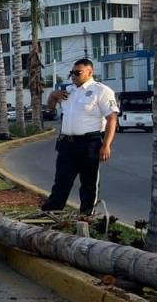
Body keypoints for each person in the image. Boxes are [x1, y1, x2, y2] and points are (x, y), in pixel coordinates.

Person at [41, 58, 119, 215]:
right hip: (67, 144)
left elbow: (112, 118)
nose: (73, 76)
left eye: (78, 72)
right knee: (61, 181)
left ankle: (86, 216)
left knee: (88, 184)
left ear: (90, 72)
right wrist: (53, 96)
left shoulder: (101, 91)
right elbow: (50, 109)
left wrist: (106, 145)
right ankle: (51, 213)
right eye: (72, 73)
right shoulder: (68, 91)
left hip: (89, 143)